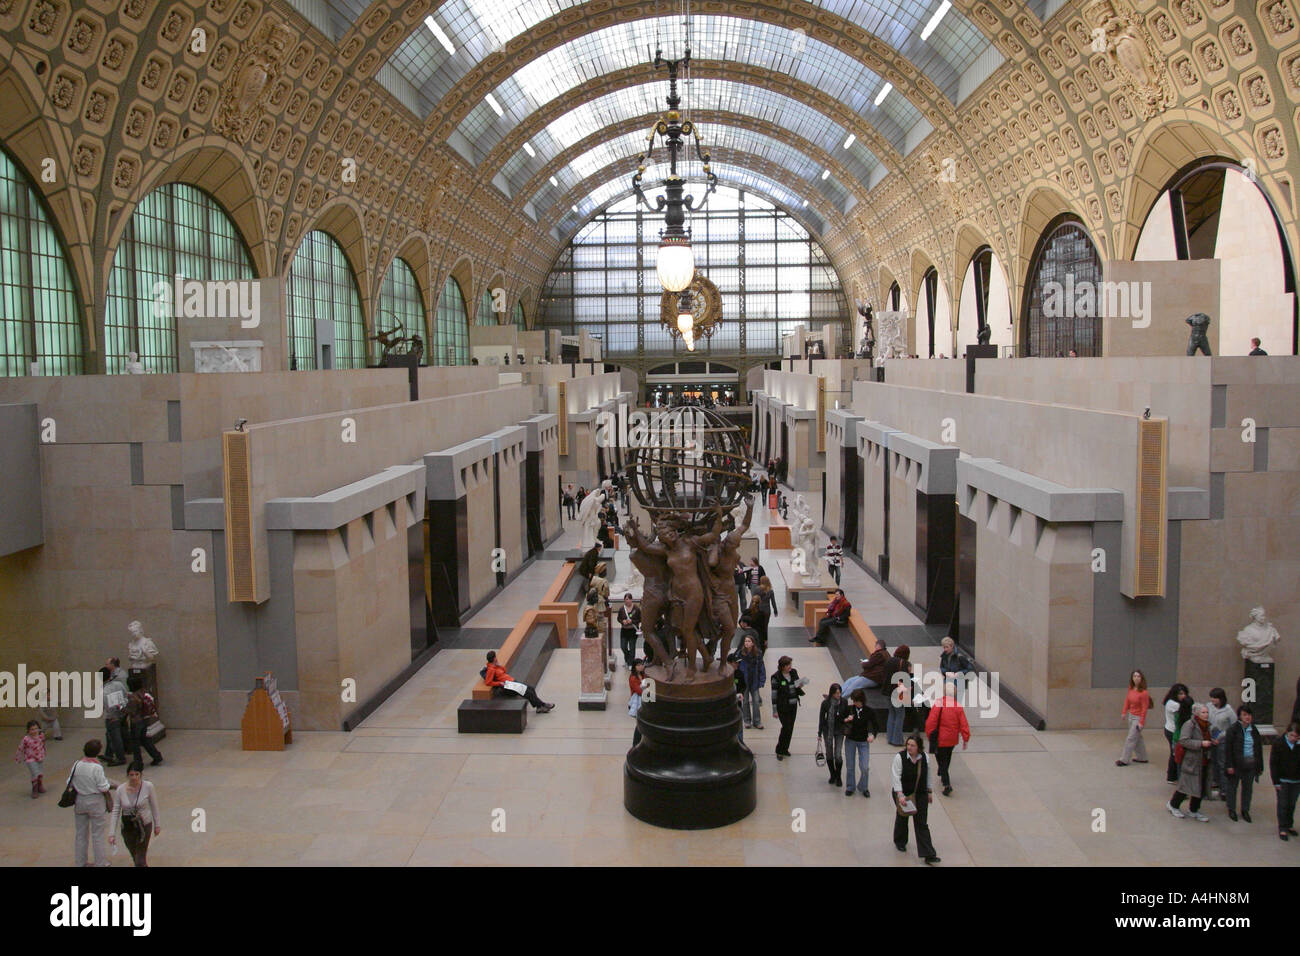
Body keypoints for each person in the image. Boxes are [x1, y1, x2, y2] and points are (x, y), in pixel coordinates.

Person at [891, 734, 939, 864]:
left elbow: (927, 776)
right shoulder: (899, 758)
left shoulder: (925, 758)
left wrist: (929, 791)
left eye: (913, 745)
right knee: (902, 817)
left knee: (921, 823)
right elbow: (896, 777)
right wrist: (900, 795)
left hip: (920, 794)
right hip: (904, 793)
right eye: (908, 745)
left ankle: (928, 853)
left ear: (919, 747)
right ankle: (900, 841)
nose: (909, 748)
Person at [1168, 703, 1216, 821]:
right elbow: (1184, 741)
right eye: (1203, 712)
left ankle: (1194, 809)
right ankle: (1174, 805)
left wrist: (1211, 741)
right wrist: (1200, 744)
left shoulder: (1207, 726)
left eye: (1207, 712)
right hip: (1192, 761)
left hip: (1204, 760)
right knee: (1186, 786)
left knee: (1200, 786)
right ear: (1197, 713)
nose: (1206, 715)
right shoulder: (1190, 725)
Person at [70, 740, 112, 867]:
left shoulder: (76, 764)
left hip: (80, 801)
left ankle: (80, 862)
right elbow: (103, 787)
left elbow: (70, 782)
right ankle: (100, 862)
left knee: (80, 834)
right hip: (95, 801)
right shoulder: (96, 767)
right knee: (97, 834)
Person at [109, 761, 160, 867]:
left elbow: (154, 806)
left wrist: (157, 824)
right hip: (128, 826)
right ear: (128, 775)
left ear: (141, 775)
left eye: (137, 774)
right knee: (134, 854)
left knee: (140, 859)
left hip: (144, 824)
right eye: (131, 775)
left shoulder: (148, 787)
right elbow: (116, 811)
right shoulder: (121, 790)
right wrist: (111, 833)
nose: (134, 777)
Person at [925, 682, 971, 796]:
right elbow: (964, 724)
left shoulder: (939, 704)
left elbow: (931, 721)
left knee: (940, 759)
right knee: (947, 756)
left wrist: (929, 734)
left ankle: (946, 783)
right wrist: (965, 737)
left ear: (944, 692)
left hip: (940, 738)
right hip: (952, 739)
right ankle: (942, 771)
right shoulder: (957, 706)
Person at [1223, 704, 1262, 822]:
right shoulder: (1233, 730)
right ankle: (1231, 809)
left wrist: (1259, 766)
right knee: (1232, 787)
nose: (1247, 717)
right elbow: (1228, 749)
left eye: (1249, 715)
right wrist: (1229, 765)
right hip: (1236, 764)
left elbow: (1258, 749)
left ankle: (1245, 810)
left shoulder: (1254, 729)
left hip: (1250, 763)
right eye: (1244, 715)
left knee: (1248, 789)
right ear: (1239, 716)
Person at [483, 650, 555, 712]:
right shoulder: (491, 670)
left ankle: (539, 707)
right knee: (528, 693)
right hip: (508, 686)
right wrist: (499, 683)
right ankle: (543, 705)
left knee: (531, 689)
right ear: (494, 658)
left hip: (512, 682)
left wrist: (499, 665)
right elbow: (488, 682)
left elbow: (504, 671)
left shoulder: (495, 666)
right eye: (495, 657)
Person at [842, 688, 879, 797]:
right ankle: (850, 786)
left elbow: (876, 725)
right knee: (850, 765)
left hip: (863, 742)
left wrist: (873, 735)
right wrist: (846, 720)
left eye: (856, 701)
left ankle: (863, 786)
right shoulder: (849, 709)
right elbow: (840, 719)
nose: (855, 703)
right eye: (853, 701)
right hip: (850, 740)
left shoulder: (869, 711)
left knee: (865, 767)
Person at [1116, 670, 1154, 766]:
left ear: (1142, 679)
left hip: (1138, 718)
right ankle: (1142, 757)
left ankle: (1124, 759)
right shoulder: (1131, 689)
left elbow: (1144, 708)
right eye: (1134, 676)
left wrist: (1141, 722)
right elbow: (1127, 701)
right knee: (1137, 738)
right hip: (1131, 716)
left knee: (1131, 738)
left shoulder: (1144, 693)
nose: (1136, 678)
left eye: (1138, 676)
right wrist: (1124, 712)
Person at [770, 655, 805, 760]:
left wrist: (800, 684)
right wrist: (774, 710)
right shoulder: (776, 677)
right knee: (786, 727)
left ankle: (785, 749)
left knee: (790, 728)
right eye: (788, 665)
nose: (790, 667)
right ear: (782, 666)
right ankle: (779, 749)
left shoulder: (793, 672)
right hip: (782, 707)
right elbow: (774, 694)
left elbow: (797, 683)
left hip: (793, 705)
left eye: (790, 664)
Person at [124, 675, 163, 767]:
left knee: (135, 742)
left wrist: (121, 708)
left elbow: (131, 711)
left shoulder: (133, 698)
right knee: (144, 739)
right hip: (145, 719)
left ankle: (138, 762)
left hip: (136, 721)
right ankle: (156, 756)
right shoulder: (144, 692)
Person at [1271, 721, 1300, 840]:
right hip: (1282, 779)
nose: (1293, 739)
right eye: (1292, 735)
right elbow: (1274, 764)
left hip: (1296, 780)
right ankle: (1282, 827)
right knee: (1283, 804)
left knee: (1292, 804)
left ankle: (1289, 824)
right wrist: (1276, 781)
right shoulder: (1279, 744)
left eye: (1296, 736)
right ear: (1287, 733)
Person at [1206, 688, 1235, 799]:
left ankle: (1224, 789)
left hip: (1223, 740)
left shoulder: (1228, 710)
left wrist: (1221, 737)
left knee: (1222, 763)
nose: (1213, 700)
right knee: (1213, 762)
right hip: (1211, 738)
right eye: (1212, 697)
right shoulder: (1209, 706)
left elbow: (1233, 726)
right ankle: (1215, 781)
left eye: (1215, 698)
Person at [884, 645, 914, 747]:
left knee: (891, 714)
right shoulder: (904, 663)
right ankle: (897, 740)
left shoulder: (889, 661)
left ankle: (889, 737)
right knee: (900, 716)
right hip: (898, 693)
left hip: (888, 692)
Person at [735, 632, 766, 730]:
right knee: (745, 701)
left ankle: (757, 721)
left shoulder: (758, 654)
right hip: (744, 681)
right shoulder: (740, 653)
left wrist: (762, 680)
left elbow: (761, 667)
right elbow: (737, 667)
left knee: (756, 701)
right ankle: (747, 720)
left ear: (753, 643)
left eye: (749, 641)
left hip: (754, 681)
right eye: (745, 641)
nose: (747, 643)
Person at [818, 683, 846, 787]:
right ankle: (832, 774)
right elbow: (821, 718)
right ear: (832, 693)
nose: (839, 695)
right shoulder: (825, 703)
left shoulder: (844, 702)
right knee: (829, 753)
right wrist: (819, 733)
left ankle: (838, 776)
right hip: (828, 730)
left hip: (839, 731)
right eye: (837, 693)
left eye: (840, 693)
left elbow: (846, 714)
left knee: (838, 754)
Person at [1162, 683, 1190, 783]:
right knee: (1175, 754)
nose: (1183, 696)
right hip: (1172, 731)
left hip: (1172, 730)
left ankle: (1172, 775)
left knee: (1174, 753)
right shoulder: (1173, 704)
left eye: (1184, 694)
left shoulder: (1172, 703)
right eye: (1180, 694)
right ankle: (1172, 776)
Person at [102, 666, 129, 767]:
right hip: (123, 713)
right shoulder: (119, 684)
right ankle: (108, 754)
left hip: (112, 716)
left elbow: (107, 707)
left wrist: (113, 715)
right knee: (111, 735)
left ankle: (120, 758)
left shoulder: (104, 691)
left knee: (115, 737)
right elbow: (125, 696)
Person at [14, 719, 46, 798]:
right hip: (30, 759)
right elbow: (21, 748)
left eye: (36, 729)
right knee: (34, 773)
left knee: (40, 772)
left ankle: (40, 785)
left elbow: (43, 744)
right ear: (28, 730)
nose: (34, 731)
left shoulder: (41, 736)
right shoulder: (26, 739)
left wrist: (44, 752)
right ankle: (34, 789)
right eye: (32, 729)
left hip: (40, 757)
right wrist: (18, 757)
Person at [617, 594, 641, 669]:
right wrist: (622, 621)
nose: (627, 601)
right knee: (623, 646)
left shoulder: (636, 609)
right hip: (624, 630)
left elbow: (640, 619)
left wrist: (632, 621)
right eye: (626, 599)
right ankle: (628, 659)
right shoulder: (622, 609)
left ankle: (631, 663)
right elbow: (619, 618)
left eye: (628, 599)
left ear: (631, 599)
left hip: (633, 631)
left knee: (632, 647)